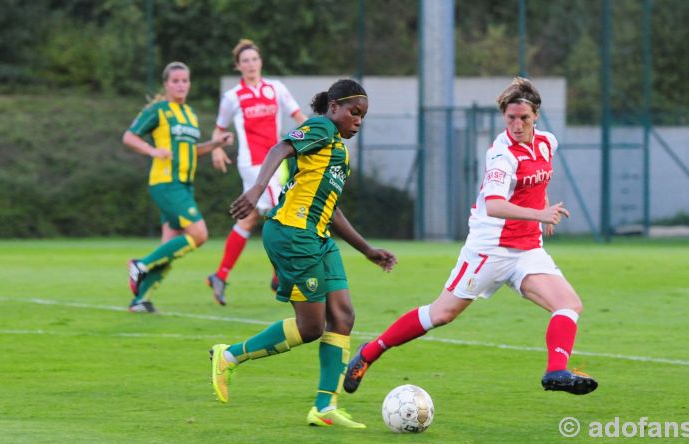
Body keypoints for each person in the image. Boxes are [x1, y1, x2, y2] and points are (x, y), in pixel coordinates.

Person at [343, 77, 598, 396]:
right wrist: (540, 215)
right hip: (489, 250)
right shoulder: (501, 155)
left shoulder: (548, 142)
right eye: (511, 119)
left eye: (524, 119)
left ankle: (555, 372)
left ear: (537, 117)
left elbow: (536, 182)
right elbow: (494, 205)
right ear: (504, 117)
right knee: (441, 314)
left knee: (569, 305)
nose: (517, 125)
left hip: (528, 249)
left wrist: (542, 204)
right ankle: (370, 352)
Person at [209, 79, 397, 428]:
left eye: (363, 116)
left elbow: (333, 208)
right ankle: (229, 356)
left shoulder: (338, 151)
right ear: (334, 107)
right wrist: (258, 187)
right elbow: (280, 147)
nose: (358, 120)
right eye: (354, 113)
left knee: (343, 316)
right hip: (293, 234)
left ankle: (324, 407)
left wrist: (367, 250)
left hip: (319, 237)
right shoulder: (321, 128)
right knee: (310, 328)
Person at [123, 61, 234, 313]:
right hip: (166, 183)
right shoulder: (159, 110)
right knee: (199, 235)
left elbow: (191, 151)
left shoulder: (191, 114)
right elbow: (129, 137)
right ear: (166, 84)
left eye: (185, 80)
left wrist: (215, 143)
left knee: (170, 246)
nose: (181, 85)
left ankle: (140, 299)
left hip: (184, 185)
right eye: (175, 81)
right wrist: (152, 150)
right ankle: (140, 265)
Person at [207, 39, 308, 306]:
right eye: (245, 61)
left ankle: (220, 275)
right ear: (238, 66)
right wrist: (217, 148)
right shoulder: (232, 97)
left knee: (249, 219)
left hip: (278, 162)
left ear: (260, 62)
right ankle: (281, 277)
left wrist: (319, 136)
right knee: (280, 213)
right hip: (253, 164)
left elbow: (299, 118)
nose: (250, 64)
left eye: (254, 59)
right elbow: (219, 130)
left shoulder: (276, 89)